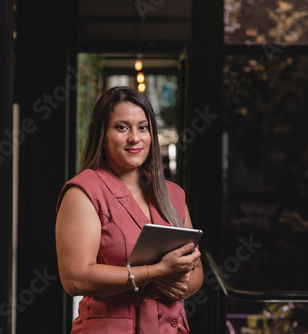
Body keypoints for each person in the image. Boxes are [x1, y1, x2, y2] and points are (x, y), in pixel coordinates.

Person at [56, 86, 203, 333]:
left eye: (143, 127)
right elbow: (75, 279)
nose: (135, 137)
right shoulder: (83, 192)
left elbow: (197, 270)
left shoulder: (172, 194)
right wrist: (157, 272)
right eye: (122, 127)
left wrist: (181, 285)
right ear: (102, 133)